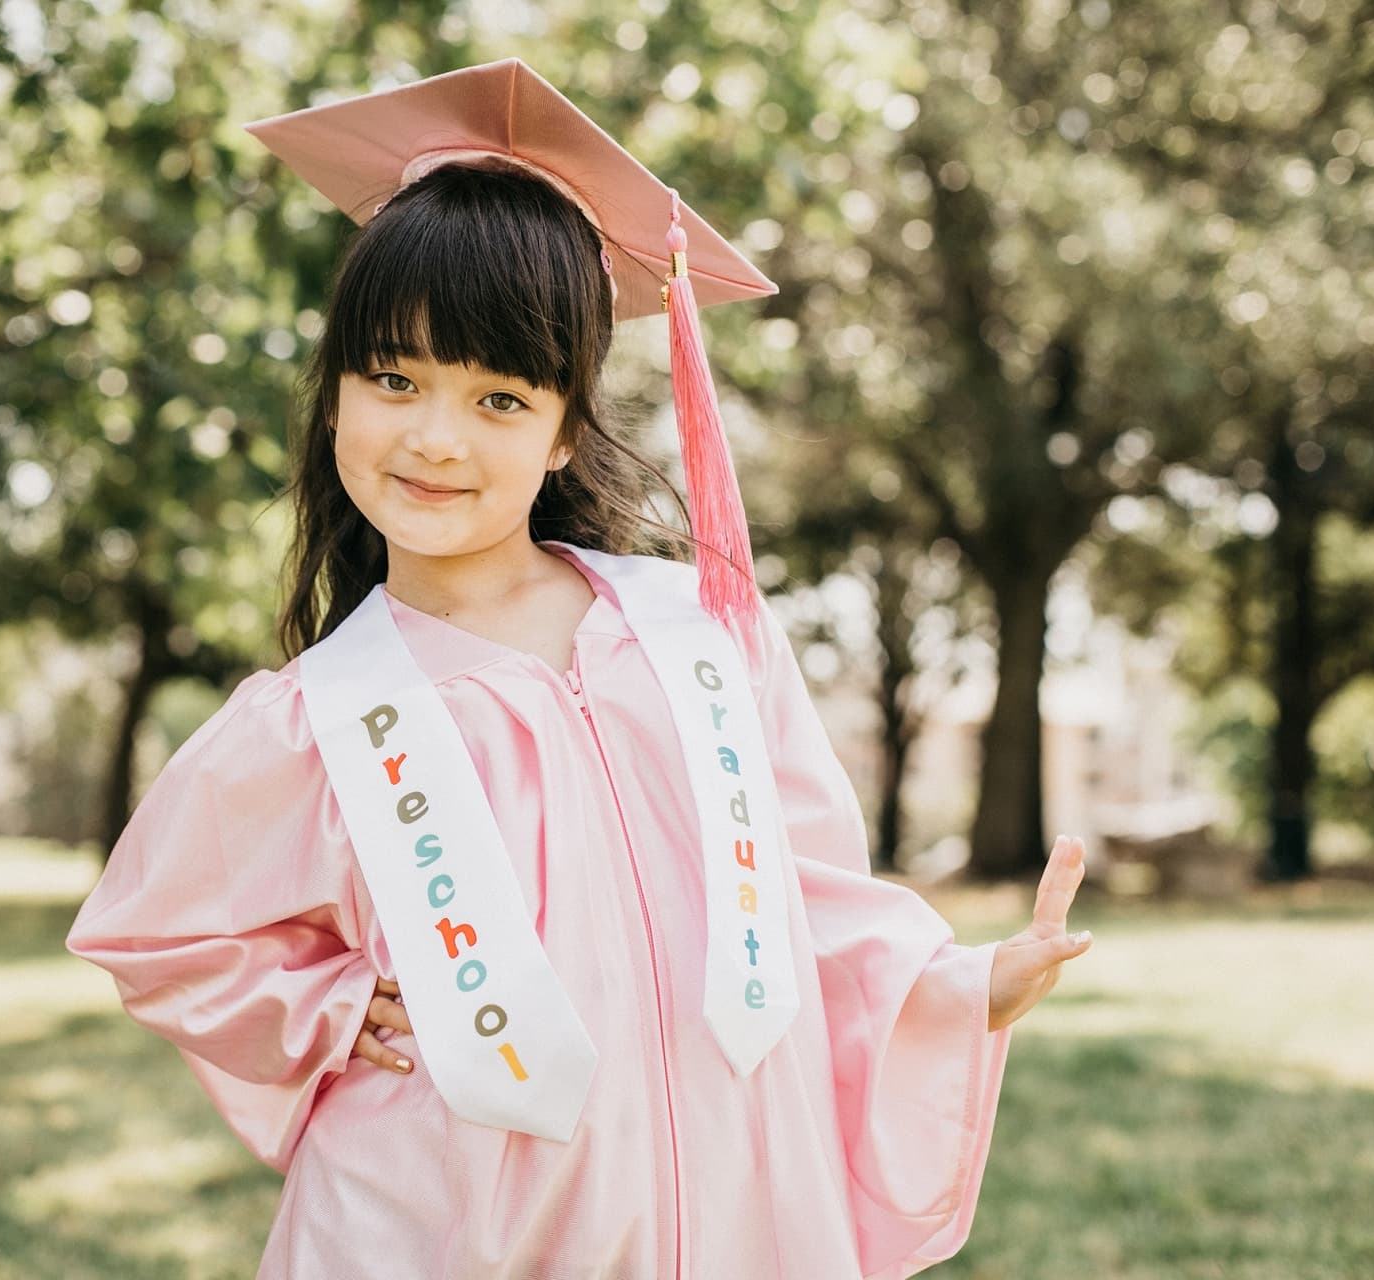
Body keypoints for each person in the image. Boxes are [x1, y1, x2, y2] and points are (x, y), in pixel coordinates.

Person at [65, 58, 1093, 1279]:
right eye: (393, 377)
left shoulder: (699, 640)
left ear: (564, 428)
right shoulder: (315, 720)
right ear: (333, 394)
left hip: (727, 1202)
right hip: (452, 1218)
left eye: (499, 397)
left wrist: (964, 981)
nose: (436, 438)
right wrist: (331, 1006)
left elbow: (804, 896)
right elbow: (162, 933)